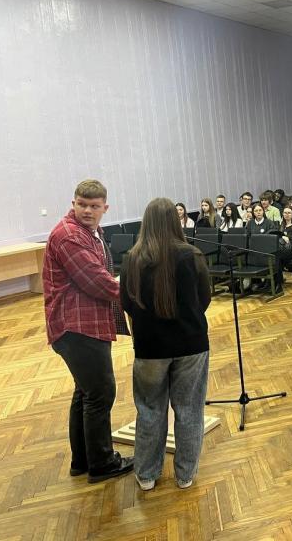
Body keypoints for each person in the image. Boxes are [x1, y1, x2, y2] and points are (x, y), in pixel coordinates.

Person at [42, 179, 133, 483]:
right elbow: (96, 280)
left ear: (105, 208)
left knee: (86, 392)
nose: (87, 210)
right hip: (76, 327)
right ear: (73, 203)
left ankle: (82, 460)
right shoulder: (69, 235)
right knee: (100, 393)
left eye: (94, 206)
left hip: (83, 324)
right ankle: (102, 463)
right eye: (82, 204)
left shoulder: (90, 231)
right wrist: (138, 293)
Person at [120, 198, 210, 491]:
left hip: (150, 346)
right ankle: (185, 474)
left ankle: (147, 474)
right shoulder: (192, 255)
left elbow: (126, 303)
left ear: (146, 222)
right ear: (175, 220)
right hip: (191, 343)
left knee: (150, 410)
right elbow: (204, 298)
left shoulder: (132, 258)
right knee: (189, 410)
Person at [275, 206, 292, 291]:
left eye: (289, 213)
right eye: (285, 213)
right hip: (281, 248)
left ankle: (277, 283)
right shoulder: (281, 225)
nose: (287, 215)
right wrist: (284, 237)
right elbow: (277, 236)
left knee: (276, 257)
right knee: (274, 256)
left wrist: (283, 237)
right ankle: (275, 281)